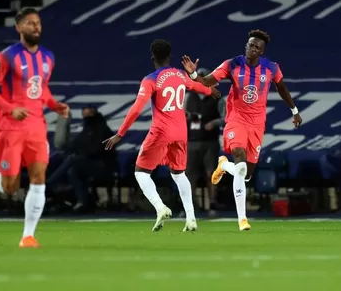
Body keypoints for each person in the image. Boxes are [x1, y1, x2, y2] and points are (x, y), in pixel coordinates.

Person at [181, 29, 303, 231]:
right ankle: (242, 219)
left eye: (257, 47)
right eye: (250, 44)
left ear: (262, 51)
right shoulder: (232, 64)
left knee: (245, 174)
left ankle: (223, 165)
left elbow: (281, 88)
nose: (252, 48)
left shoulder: (271, 68)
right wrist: (193, 73)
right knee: (240, 158)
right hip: (236, 119)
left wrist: (295, 111)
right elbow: (207, 81)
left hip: (257, 124)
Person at [0, 7, 69, 248]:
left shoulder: (48, 57)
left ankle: (28, 236)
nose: (36, 27)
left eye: (38, 23)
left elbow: (41, 89)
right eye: (30, 23)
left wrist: (54, 105)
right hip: (10, 127)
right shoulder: (7, 56)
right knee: (10, 186)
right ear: (19, 27)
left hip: (36, 125)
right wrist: (9, 107)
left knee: (39, 177)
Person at [103, 39, 221, 232]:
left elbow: (136, 109)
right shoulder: (182, 75)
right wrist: (210, 90)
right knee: (179, 174)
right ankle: (191, 219)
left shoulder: (150, 79)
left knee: (141, 172)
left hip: (161, 131)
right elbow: (200, 87)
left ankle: (160, 207)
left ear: (153, 58)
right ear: (169, 56)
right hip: (181, 133)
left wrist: (120, 133)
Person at [184, 67, 227, 215]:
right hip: (192, 140)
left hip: (210, 141)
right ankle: (190, 206)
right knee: (190, 175)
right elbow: (179, 113)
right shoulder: (189, 97)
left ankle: (212, 205)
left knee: (211, 173)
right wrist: (187, 116)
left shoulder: (217, 98)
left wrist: (214, 123)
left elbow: (226, 118)